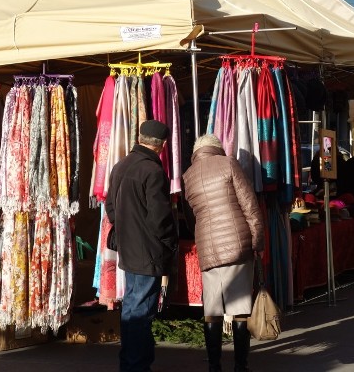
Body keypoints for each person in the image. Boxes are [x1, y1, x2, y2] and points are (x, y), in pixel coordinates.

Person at [182, 134, 264, 372]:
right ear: (217, 148)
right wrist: (257, 241)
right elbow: (249, 205)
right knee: (239, 308)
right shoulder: (228, 163)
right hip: (238, 244)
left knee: (213, 310)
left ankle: (214, 367)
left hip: (208, 247)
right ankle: (240, 366)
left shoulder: (188, 175)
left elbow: (190, 217)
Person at [106, 120, 178, 372]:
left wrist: (125, 228)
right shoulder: (153, 171)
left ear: (140, 138)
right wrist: (170, 242)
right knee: (140, 310)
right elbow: (160, 218)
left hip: (129, 249)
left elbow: (110, 209)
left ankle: (131, 362)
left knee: (132, 307)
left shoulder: (120, 166)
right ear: (163, 145)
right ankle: (135, 365)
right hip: (148, 252)